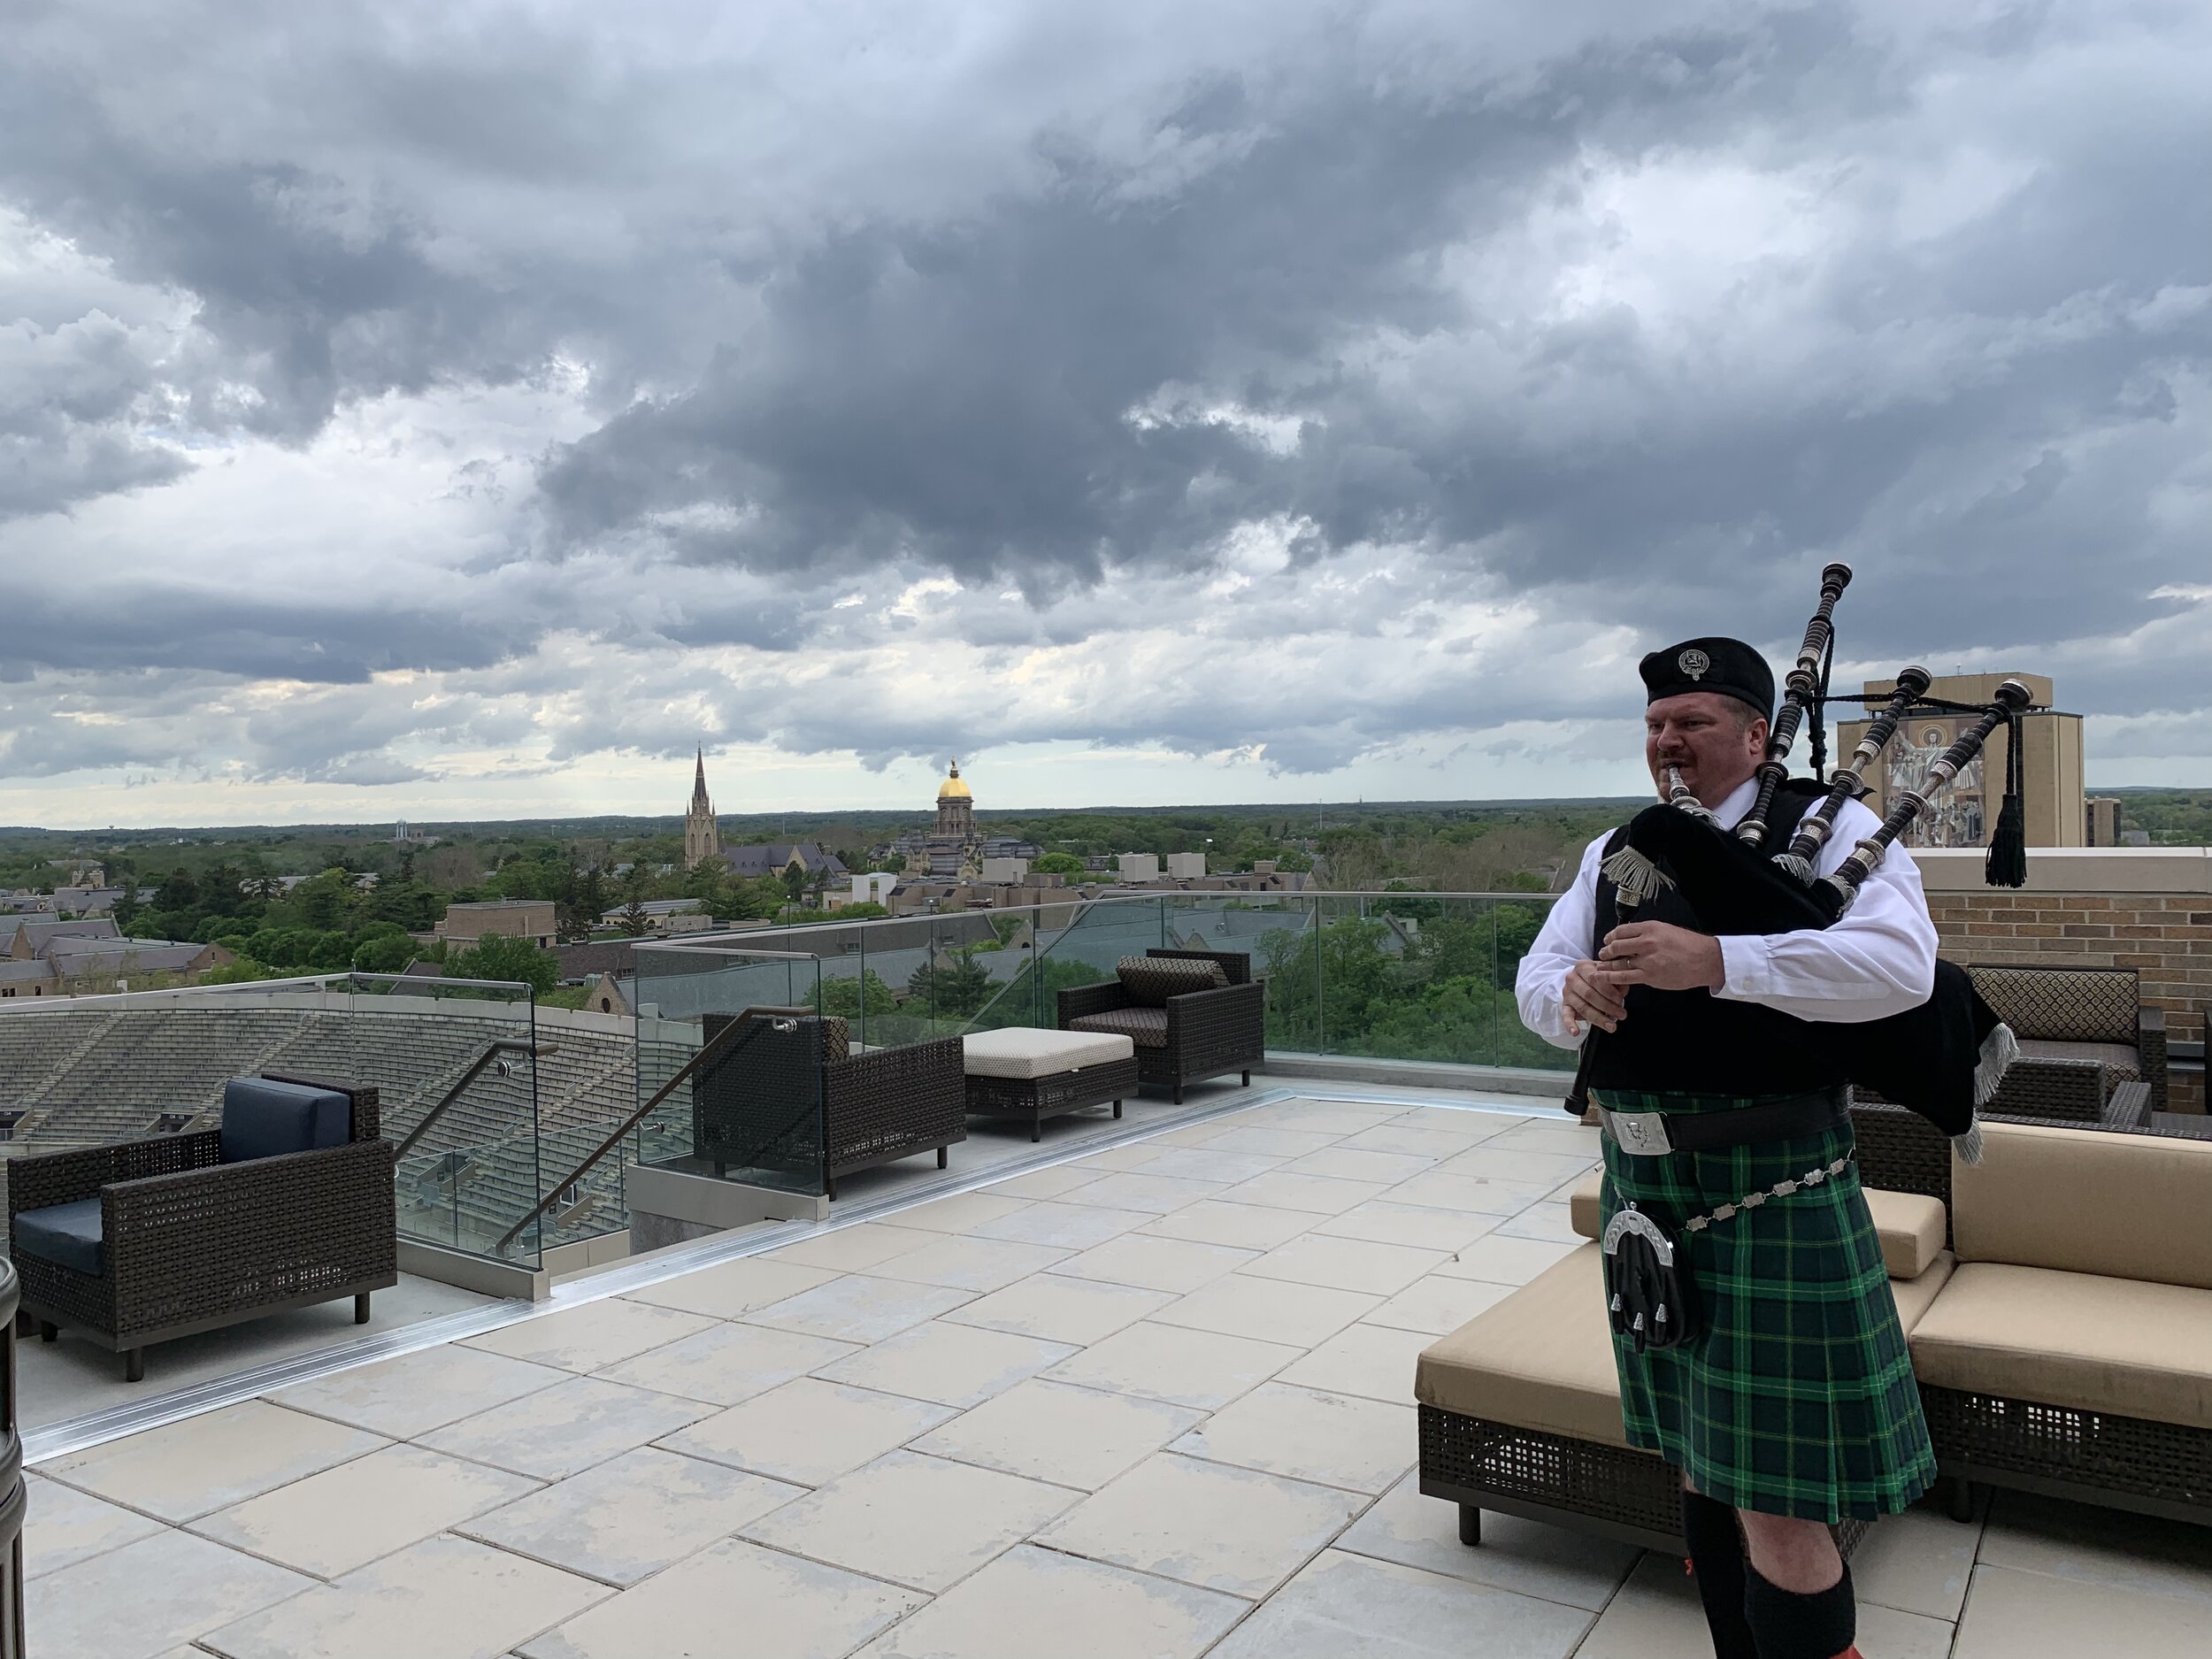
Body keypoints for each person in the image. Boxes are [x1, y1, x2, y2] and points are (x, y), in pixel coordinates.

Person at [1515, 637, 1939, 1659]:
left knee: (1781, 1506)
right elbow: (1538, 978)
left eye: (1693, 723)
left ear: (1756, 736)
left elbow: (1901, 968)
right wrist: (1568, 997)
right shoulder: (1617, 848)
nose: (1669, 742)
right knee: (1701, 1461)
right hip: (1645, 1190)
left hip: (1776, 1184)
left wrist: (1717, 960)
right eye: (1657, 725)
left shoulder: (1834, 830)